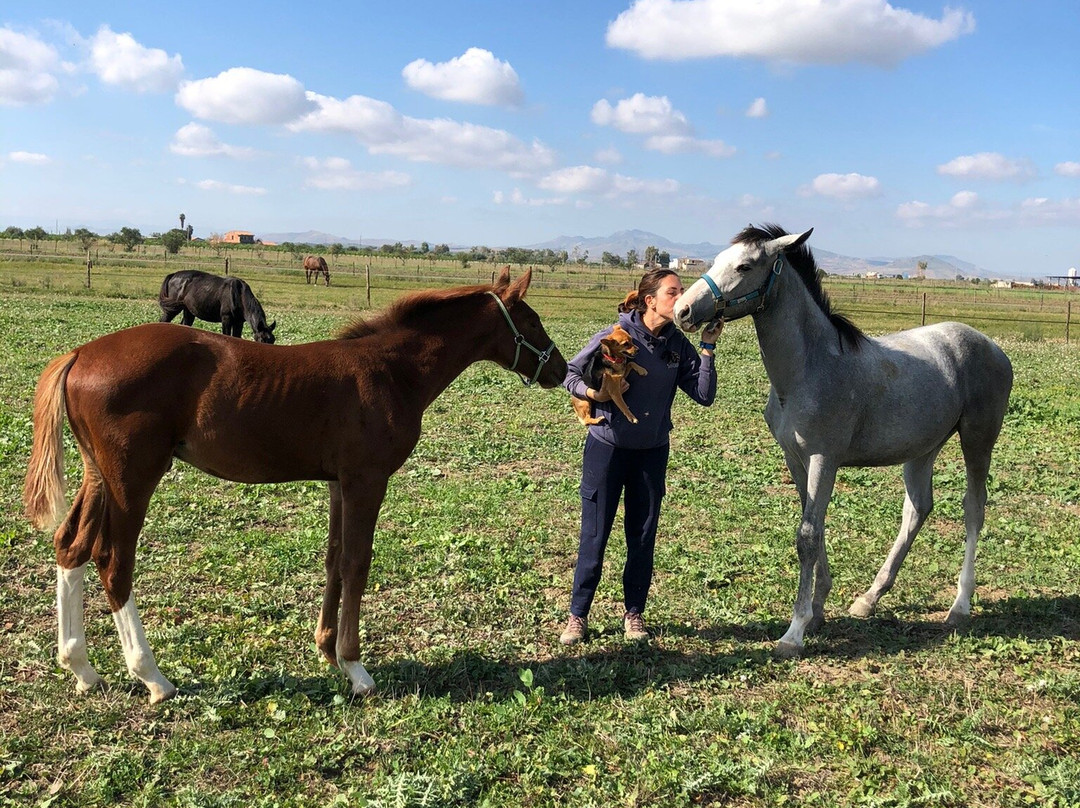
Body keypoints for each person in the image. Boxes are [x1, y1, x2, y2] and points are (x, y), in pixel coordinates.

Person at [560, 268, 722, 645]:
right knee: (595, 535)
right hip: (607, 450)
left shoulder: (678, 345)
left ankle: (634, 614)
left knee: (642, 536)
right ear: (650, 300)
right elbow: (569, 372)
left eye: (681, 291)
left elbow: (704, 395)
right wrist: (593, 394)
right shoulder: (614, 336)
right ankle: (577, 615)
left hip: (651, 453)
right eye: (673, 292)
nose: (680, 298)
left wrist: (708, 348)